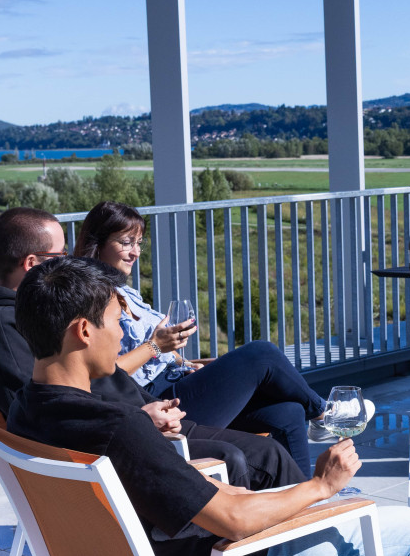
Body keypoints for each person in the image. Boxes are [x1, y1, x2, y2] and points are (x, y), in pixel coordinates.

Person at [5, 257, 410, 556]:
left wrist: (251, 497)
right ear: (84, 330)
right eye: (115, 320)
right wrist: (320, 486)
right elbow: (234, 522)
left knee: (296, 499)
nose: (123, 334)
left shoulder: (24, 411)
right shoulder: (118, 428)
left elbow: (203, 498)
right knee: (409, 531)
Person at [0, 207, 302, 492]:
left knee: (283, 418)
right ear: (31, 263)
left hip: (143, 416)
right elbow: (44, 411)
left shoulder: (32, 309)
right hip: (128, 435)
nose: (66, 262)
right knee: (261, 442)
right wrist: (141, 414)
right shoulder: (4, 325)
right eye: (61, 255)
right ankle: (303, 527)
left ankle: (311, 516)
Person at [73, 201, 327, 474]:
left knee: (288, 411)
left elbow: (154, 351)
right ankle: (324, 414)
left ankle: (305, 493)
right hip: (158, 403)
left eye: (139, 243)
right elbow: (101, 376)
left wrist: (185, 362)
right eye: (126, 243)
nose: (135, 252)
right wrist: (155, 346)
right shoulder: (89, 297)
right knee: (261, 355)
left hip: (178, 382)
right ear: (97, 243)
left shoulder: (124, 290)